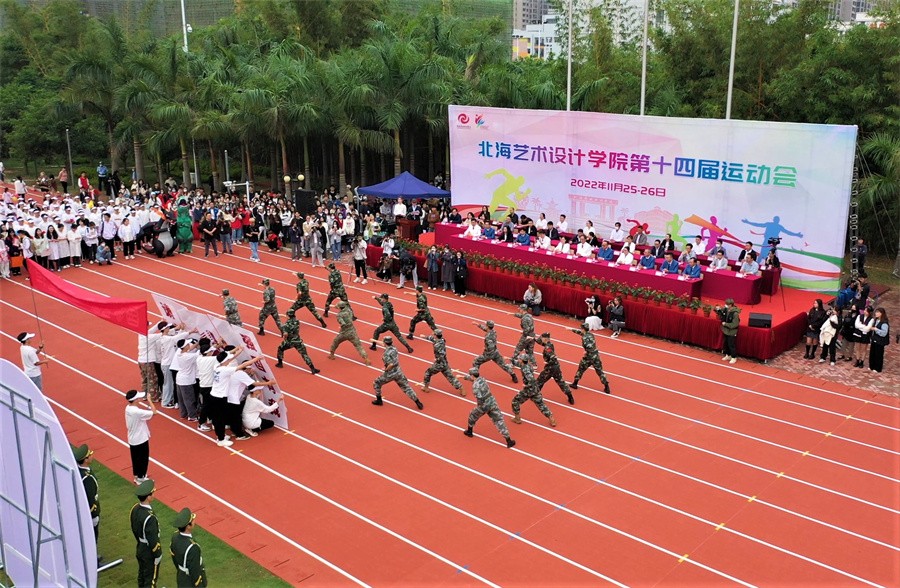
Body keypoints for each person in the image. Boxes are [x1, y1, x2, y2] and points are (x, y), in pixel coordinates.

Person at [464, 376, 516, 448]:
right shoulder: (482, 378)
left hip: (484, 405)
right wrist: (463, 377)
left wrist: (481, 406)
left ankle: (469, 431)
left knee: (472, 415)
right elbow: (472, 378)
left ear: (472, 376)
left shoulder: (475, 387)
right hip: (492, 402)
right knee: (499, 421)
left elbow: (479, 398)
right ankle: (509, 441)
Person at [372, 337, 423, 409]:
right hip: (398, 372)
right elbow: (384, 344)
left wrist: (385, 370)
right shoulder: (394, 348)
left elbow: (391, 364)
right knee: (406, 387)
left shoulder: (386, 354)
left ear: (385, 343)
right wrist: (374, 340)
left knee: (376, 383)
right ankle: (417, 402)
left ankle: (379, 400)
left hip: (390, 374)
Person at [510, 351, 555, 427]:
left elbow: (531, 380)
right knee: (541, 404)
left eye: (520, 359)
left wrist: (526, 385)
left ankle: (517, 418)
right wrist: (509, 359)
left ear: (522, 360)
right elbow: (518, 363)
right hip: (535, 389)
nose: (519, 359)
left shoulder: (525, 369)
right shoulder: (528, 365)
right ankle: (551, 418)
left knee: (515, 401)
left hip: (528, 390)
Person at [131, 479, 161, 588]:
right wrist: (157, 554)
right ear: (148, 497)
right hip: (148, 551)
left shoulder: (135, 509)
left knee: (142, 576)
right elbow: (152, 538)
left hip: (140, 546)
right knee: (150, 580)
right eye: (152, 493)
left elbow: (134, 528)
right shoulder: (150, 517)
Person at [73, 444, 101, 556]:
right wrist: (93, 514)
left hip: (83, 512)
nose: (92, 456)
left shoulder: (80, 471)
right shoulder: (87, 477)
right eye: (90, 455)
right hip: (90, 513)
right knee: (92, 539)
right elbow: (90, 498)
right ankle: (93, 561)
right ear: (85, 460)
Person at [569, 323, 612, 394]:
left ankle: (575, 383)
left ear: (583, 329)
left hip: (588, 357)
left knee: (581, 369)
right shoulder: (591, 334)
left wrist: (586, 352)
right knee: (600, 372)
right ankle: (606, 386)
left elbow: (588, 346)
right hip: (596, 356)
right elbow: (580, 333)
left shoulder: (584, 338)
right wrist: (571, 329)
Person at [170, 508, 207, 587]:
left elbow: (173, 556)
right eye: (192, 520)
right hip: (190, 582)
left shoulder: (175, 537)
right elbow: (195, 572)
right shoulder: (193, 547)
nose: (194, 521)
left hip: (181, 576)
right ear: (188, 526)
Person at [125, 389, 157, 484]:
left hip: (132, 438)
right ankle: (141, 477)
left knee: (135, 458)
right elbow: (154, 412)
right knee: (143, 458)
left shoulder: (128, 408)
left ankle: (137, 476)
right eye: (138, 398)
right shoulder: (137, 412)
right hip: (140, 438)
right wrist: (150, 400)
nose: (140, 398)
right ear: (135, 400)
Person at [534, 332, 575, 404]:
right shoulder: (550, 344)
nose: (541, 339)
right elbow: (541, 343)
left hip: (550, 368)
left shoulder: (547, 347)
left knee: (540, 381)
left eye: (542, 338)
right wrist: (533, 339)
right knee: (561, 382)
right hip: (556, 367)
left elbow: (553, 357)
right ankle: (570, 396)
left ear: (545, 339)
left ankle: (536, 396)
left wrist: (548, 362)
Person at [276, 309, 320, 374]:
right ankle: (313, 368)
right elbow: (291, 319)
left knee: (280, 348)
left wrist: (284, 338)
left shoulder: (286, 325)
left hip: (290, 342)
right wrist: (283, 316)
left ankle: (280, 363)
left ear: (288, 315)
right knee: (304, 354)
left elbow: (285, 334)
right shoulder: (297, 321)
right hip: (298, 341)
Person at [421, 329, 464, 395]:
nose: (433, 334)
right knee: (450, 376)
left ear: (436, 335)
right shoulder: (442, 340)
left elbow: (441, 354)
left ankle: (426, 387)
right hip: (444, 363)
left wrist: (437, 360)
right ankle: (461, 388)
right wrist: (425, 337)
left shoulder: (437, 345)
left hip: (439, 364)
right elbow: (433, 339)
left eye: (434, 333)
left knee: (428, 373)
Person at [328, 301, 371, 365]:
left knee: (335, 342)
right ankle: (366, 358)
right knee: (358, 346)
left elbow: (343, 323)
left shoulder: (339, 315)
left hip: (344, 332)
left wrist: (341, 326)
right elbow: (342, 307)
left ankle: (331, 354)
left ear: (339, 307)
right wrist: (335, 306)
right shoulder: (349, 310)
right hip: (352, 331)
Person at [717, 298, 740, 364]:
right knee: (726, 343)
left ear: (731, 305)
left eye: (727, 304)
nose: (726, 305)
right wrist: (717, 309)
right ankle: (728, 355)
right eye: (726, 304)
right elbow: (720, 312)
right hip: (726, 330)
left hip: (732, 331)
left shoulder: (735, 314)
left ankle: (733, 357)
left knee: (731, 345)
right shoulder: (726, 309)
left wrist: (726, 324)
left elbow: (735, 324)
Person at [868, 308, 889, 373]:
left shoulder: (884, 323)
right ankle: (872, 366)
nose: (876, 313)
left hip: (880, 341)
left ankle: (878, 368)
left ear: (882, 314)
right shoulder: (876, 320)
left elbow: (884, 333)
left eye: (878, 312)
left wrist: (876, 329)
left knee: (878, 354)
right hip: (874, 339)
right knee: (872, 353)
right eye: (876, 312)